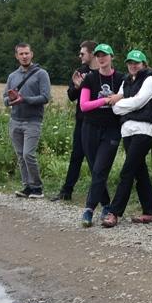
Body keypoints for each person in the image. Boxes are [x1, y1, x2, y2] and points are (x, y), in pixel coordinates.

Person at [100, 50, 152, 228]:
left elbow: (138, 101)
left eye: (137, 62)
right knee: (139, 171)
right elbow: (115, 109)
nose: (133, 66)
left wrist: (123, 101)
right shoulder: (127, 81)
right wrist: (125, 102)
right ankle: (149, 211)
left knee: (127, 171)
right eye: (130, 63)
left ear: (144, 64)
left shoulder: (150, 80)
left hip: (144, 130)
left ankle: (114, 212)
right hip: (127, 131)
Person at [77, 44, 124, 227]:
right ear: (95, 58)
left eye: (105, 55)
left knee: (100, 169)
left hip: (112, 129)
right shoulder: (90, 78)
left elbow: (126, 95)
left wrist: (118, 98)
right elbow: (84, 105)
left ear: (112, 57)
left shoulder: (121, 78)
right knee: (95, 169)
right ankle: (106, 204)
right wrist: (106, 100)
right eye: (98, 55)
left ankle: (89, 209)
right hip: (90, 127)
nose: (101, 58)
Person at [3, 43, 52, 199]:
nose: (24, 56)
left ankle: (37, 187)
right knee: (20, 155)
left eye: (27, 53)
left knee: (28, 154)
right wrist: (10, 100)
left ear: (32, 54)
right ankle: (27, 187)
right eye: (21, 54)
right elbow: (4, 98)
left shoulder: (41, 74)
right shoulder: (12, 76)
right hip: (15, 120)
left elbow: (45, 97)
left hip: (33, 120)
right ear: (16, 56)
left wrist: (24, 100)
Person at [52, 41, 96, 201]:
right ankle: (66, 191)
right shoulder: (80, 72)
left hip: (100, 122)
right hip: (82, 120)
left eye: (82, 53)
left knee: (97, 158)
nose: (80, 56)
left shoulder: (103, 72)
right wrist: (77, 87)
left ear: (92, 54)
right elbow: (71, 96)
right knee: (76, 155)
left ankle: (97, 192)